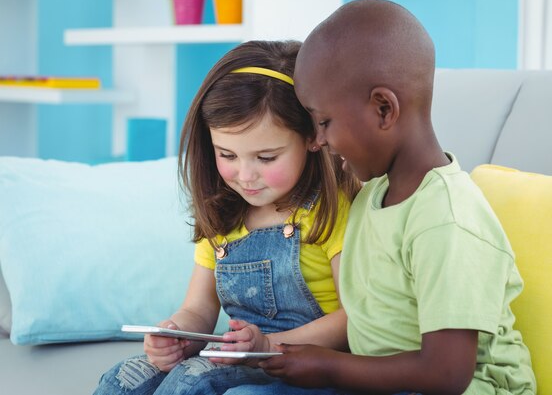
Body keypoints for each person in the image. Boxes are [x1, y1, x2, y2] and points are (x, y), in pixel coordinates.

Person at [237, 0, 537, 395]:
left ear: (383, 109)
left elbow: (446, 373)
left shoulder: (446, 218)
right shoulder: (371, 196)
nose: (320, 140)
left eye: (324, 121)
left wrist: (330, 368)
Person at [93, 40, 360, 395]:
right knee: (122, 380)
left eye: (266, 158)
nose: (245, 175)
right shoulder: (223, 214)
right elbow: (199, 307)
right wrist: (176, 334)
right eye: (227, 154)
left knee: (195, 383)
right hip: (239, 357)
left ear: (311, 136)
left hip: (304, 363)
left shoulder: (331, 210)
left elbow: (353, 320)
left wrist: (266, 346)